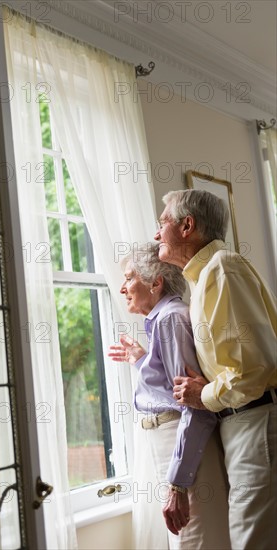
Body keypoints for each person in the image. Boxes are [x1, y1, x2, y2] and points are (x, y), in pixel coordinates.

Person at [154, 189, 277, 550]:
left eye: (162, 223)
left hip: (254, 421)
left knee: (252, 541)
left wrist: (201, 394)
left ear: (187, 226)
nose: (157, 233)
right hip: (242, 423)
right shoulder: (206, 276)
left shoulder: (222, 268)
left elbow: (255, 367)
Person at [109, 242, 230, 550]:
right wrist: (141, 359)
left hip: (181, 444)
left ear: (156, 282)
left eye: (129, 278)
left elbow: (194, 407)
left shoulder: (170, 320)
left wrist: (178, 483)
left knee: (194, 540)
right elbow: (171, 388)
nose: (123, 288)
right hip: (170, 445)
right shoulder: (164, 320)